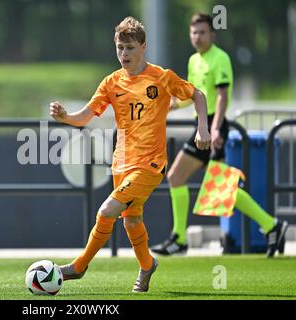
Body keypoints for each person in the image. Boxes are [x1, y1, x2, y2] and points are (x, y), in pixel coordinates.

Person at [50, 17, 211, 292]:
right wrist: (66, 117)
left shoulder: (161, 77)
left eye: (129, 48)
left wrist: (203, 129)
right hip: (121, 163)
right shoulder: (111, 82)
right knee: (132, 220)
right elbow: (87, 116)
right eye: (119, 48)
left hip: (150, 165)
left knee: (107, 210)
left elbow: (198, 95)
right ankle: (148, 266)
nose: (124, 54)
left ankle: (79, 267)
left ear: (143, 47)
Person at [150, 13, 288, 258]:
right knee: (219, 188)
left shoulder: (220, 58)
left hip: (214, 126)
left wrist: (216, 129)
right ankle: (271, 225)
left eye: (202, 32)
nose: (198, 37)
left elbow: (222, 96)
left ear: (213, 34)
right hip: (203, 125)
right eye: (194, 32)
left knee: (180, 177)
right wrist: (171, 105)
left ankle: (179, 239)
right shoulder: (194, 60)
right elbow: (194, 96)